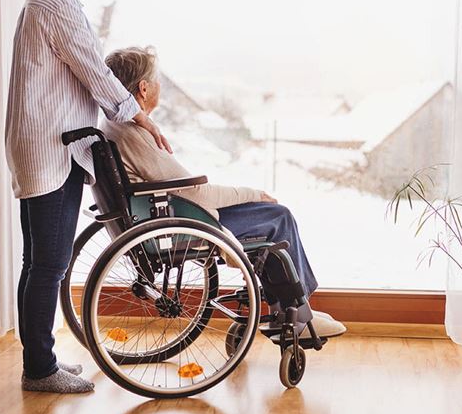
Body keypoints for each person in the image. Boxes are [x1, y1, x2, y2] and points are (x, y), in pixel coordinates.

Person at [5, 0, 171, 394]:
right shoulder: (53, 3)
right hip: (50, 149)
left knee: (38, 261)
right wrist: (137, 115)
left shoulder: (48, 0)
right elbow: (94, 70)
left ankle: (39, 361)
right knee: (49, 262)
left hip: (46, 144)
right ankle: (39, 369)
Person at [99, 46, 346, 338]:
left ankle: (286, 308)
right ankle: (298, 314)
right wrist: (252, 193)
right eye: (156, 80)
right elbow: (198, 194)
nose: (160, 86)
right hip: (180, 223)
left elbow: (186, 189)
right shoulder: (134, 133)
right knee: (278, 217)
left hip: (164, 215)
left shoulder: (114, 125)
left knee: (268, 216)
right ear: (143, 88)